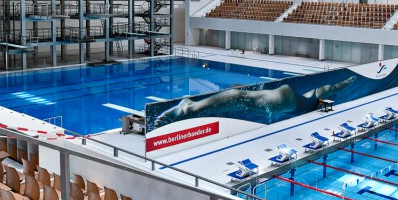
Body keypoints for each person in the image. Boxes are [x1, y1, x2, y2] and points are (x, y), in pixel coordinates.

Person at [152, 75, 357, 128]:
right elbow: (336, 87)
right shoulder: (320, 93)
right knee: (243, 100)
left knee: (240, 103)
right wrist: (349, 81)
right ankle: (189, 107)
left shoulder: (316, 97)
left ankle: (192, 108)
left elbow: (336, 88)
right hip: (284, 100)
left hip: (283, 100)